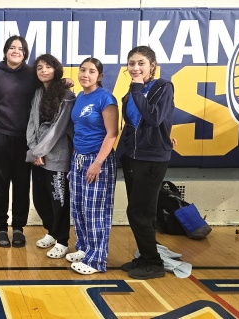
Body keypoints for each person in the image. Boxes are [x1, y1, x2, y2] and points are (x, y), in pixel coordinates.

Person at [119, 46, 175, 280]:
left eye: (141, 63)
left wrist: (138, 89)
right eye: (131, 63)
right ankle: (144, 256)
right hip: (133, 157)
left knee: (139, 212)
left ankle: (154, 263)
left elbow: (153, 118)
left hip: (151, 159)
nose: (135, 68)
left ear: (152, 65)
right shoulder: (132, 91)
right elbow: (132, 124)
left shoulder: (162, 87)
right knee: (140, 212)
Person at [66, 57, 118, 275]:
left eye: (91, 71)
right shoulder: (80, 96)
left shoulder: (106, 99)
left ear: (100, 76)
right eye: (82, 70)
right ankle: (86, 248)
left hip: (98, 160)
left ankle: (96, 260)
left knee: (95, 210)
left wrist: (97, 162)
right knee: (78, 206)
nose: (85, 75)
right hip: (78, 157)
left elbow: (112, 133)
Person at [0, 35, 39, 248]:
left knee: (20, 185)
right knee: (0, 185)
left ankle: (18, 228)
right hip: (0, 136)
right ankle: (0, 227)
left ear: (25, 53)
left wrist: (64, 82)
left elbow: (49, 85)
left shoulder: (32, 74)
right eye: (11, 47)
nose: (15, 51)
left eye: (19, 48)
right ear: (5, 51)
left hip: (25, 138)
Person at [26, 54, 75, 259]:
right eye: (39, 68)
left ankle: (62, 240)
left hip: (57, 157)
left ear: (56, 69)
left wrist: (38, 152)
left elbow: (57, 129)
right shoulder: (38, 92)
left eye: (48, 67)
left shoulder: (67, 95)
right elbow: (31, 123)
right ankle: (52, 232)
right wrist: (33, 149)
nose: (43, 70)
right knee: (40, 199)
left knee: (59, 201)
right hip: (38, 157)